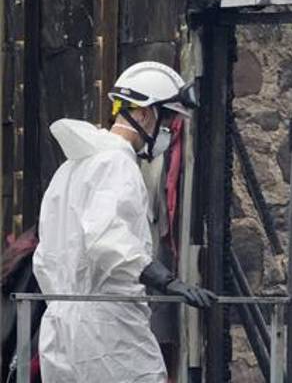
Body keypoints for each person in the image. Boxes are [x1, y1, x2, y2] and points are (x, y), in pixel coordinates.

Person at [33, 61, 217, 383]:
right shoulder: (117, 164)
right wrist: (167, 281)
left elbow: (48, 254)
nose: (168, 131)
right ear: (143, 114)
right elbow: (106, 241)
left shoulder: (72, 168)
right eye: (166, 120)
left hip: (60, 327)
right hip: (107, 330)